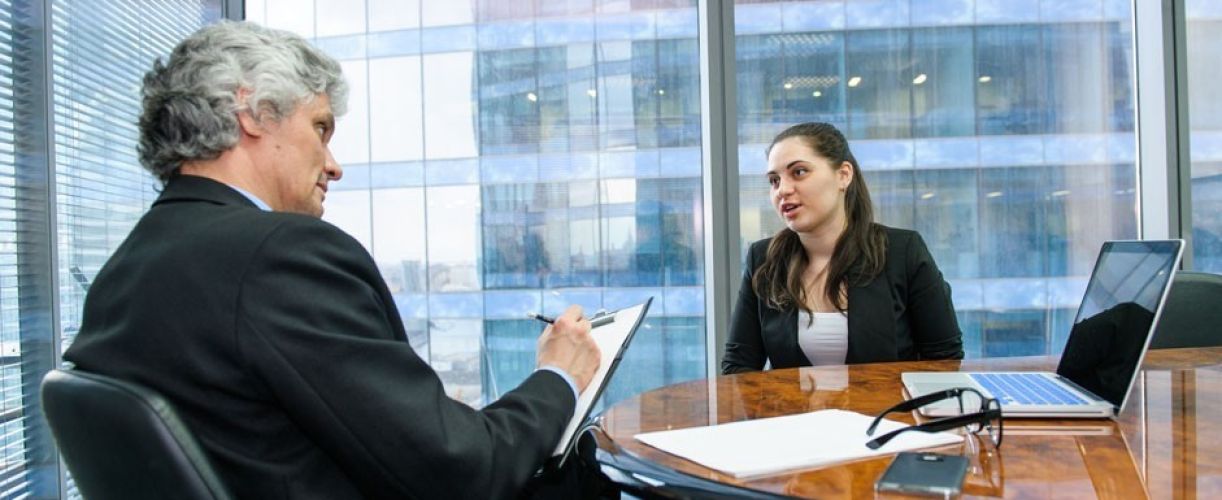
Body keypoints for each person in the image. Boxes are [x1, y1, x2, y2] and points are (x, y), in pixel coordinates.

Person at [62, 21, 602, 499]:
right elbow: (462, 472)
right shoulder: (279, 255)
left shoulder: (125, 270)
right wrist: (557, 376)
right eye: (320, 128)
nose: (334, 164)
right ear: (252, 111)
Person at [722, 122, 963, 374]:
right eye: (774, 180)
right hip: (796, 413)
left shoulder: (903, 252)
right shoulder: (763, 259)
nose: (783, 190)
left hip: (885, 413)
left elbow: (944, 359)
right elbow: (738, 366)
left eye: (799, 172)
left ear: (843, 175)